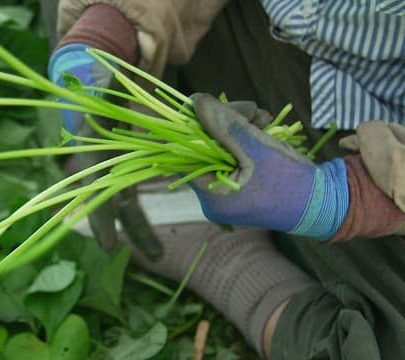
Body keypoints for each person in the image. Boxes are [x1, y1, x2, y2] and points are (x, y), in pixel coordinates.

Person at [45, 0, 405, 359]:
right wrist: (108, 28)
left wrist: (350, 200)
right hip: (271, 40)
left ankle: (226, 258)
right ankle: (150, 145)